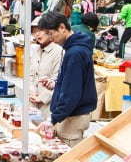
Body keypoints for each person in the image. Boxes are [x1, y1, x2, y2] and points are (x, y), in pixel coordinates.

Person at [37, 12, 98, 145]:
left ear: (62, 28)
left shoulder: (75, 53)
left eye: (51, 33)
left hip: (73, 116)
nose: (50, 38)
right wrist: (55, 84)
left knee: (67, 158)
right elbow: (73, 82)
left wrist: (53, 118)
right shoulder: (73, 49)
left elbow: (72, 93)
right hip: (70, 113)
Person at [24, 19, 64, 115]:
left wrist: (42, 98)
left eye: (40, 31)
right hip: (31, 101)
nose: (37, 34)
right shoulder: (35, 50)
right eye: (34, 31)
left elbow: (58, 80)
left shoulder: (59, 52)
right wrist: (31, 92)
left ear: (50, 32)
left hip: (48, 105)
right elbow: (29, 75)